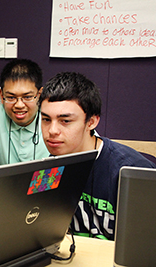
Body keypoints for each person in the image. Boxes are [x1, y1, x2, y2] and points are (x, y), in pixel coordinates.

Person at [39, 72, 156, 240]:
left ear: (92, 122)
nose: (52, 131)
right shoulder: (49, 169)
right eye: (46, 119)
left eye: (65, 121)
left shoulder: (132, 171)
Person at [0, 59, 49, 170]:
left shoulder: (52, 118)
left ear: (39, 94)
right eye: (11, 97)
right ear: (1, 95)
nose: (19, 105)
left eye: (27, 97)